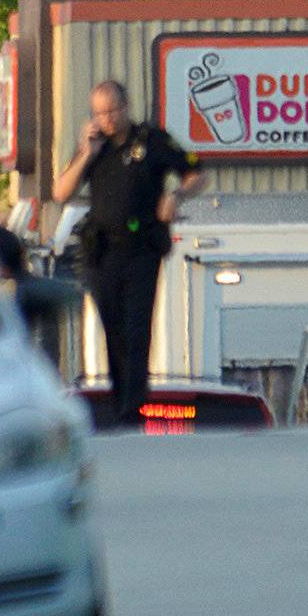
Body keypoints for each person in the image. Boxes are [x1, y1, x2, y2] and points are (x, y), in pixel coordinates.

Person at [53, 80, 204, 423]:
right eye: (99, 113)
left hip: (140, 250)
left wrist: (176, 195)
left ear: (126, 106)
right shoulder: (93, 147)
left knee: (137, 328)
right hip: (102, 252)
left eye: (112, 111)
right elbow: (60, 192)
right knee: (113, 328)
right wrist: (86, 153)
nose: (106, 119)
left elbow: (196, 172)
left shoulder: (151, 141)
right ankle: (122, 397)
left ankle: (132, 406)